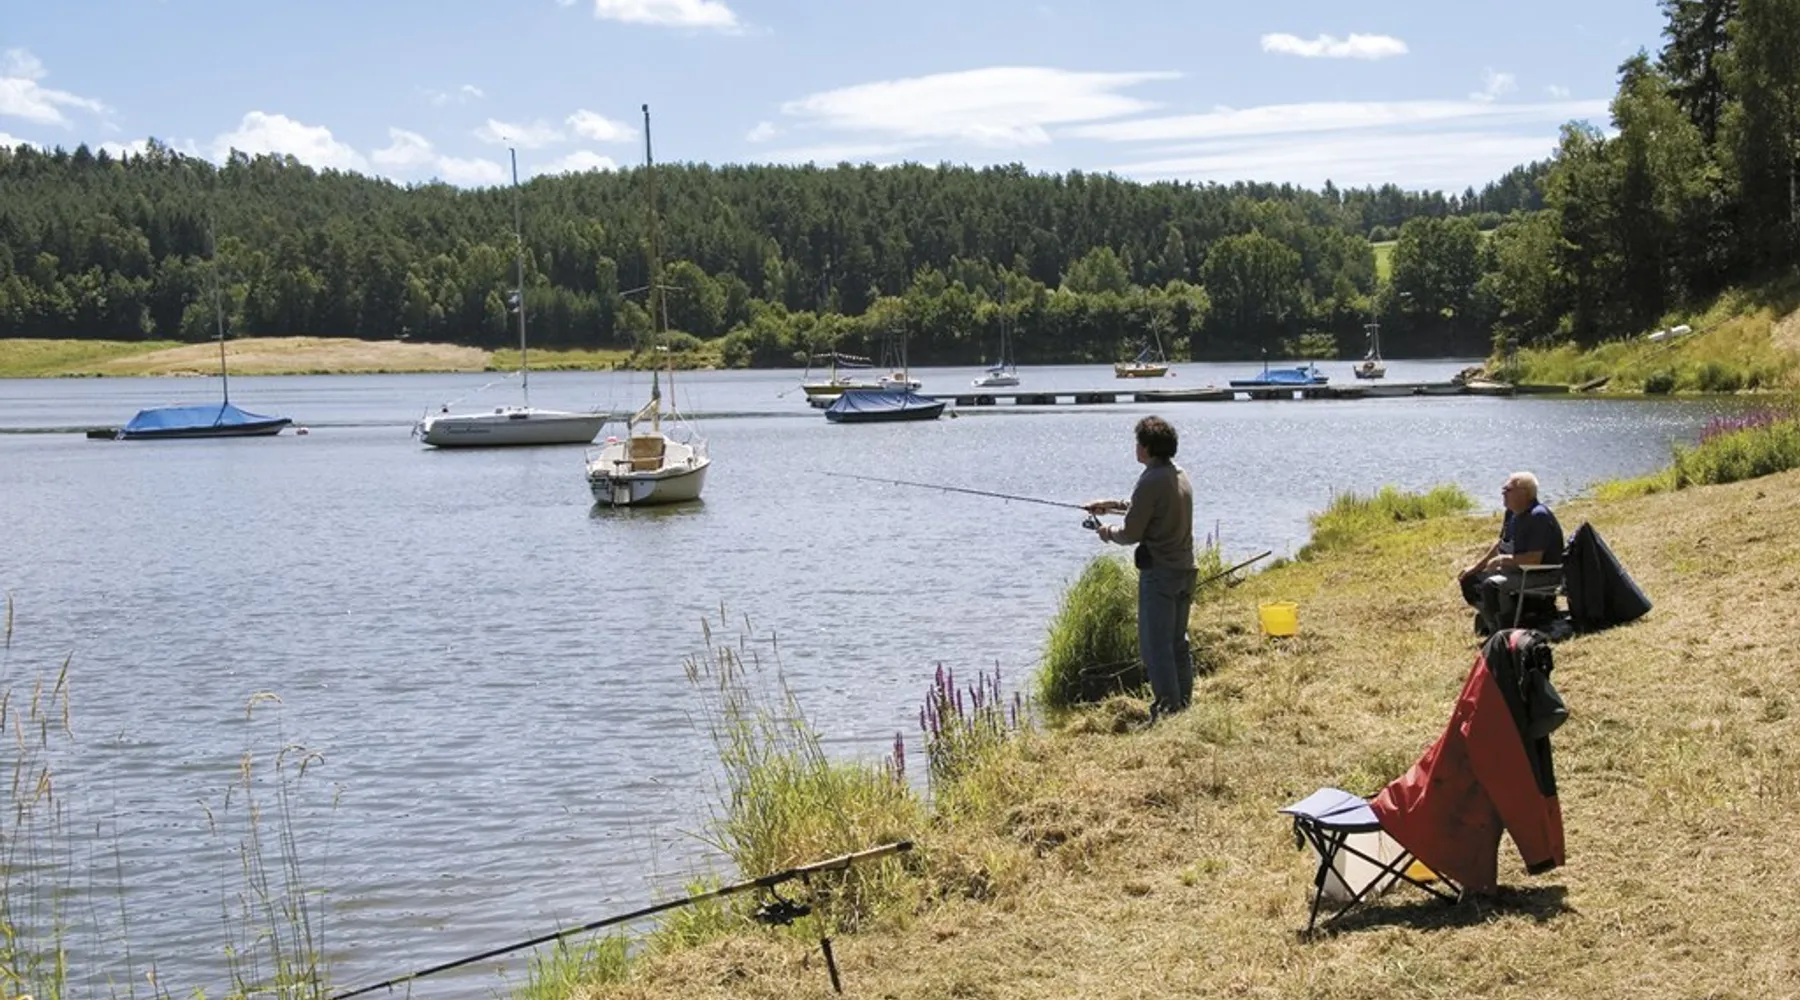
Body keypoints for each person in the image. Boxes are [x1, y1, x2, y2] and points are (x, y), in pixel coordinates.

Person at [1085, 416, 1197, 721]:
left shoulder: (1150, 480)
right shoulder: (1178, 474)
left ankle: (1167, 710)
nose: (1135, 447)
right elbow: (1147, 506)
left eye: (1138, 442)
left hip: (1160, 574)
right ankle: (1183, 706)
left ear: (1147, 447)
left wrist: (1106, 531)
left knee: (1155, 647)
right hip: (1185, 570)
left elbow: (1131, 533)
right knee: (1177, 643)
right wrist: (1109, 504)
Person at [1460, 471, 1565, 635]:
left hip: (1541, 574)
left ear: (1524, 493)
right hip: (1517, 571)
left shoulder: (1538, 516)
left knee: (1492, 585)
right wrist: (1476, 567)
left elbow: (1534, 560)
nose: (1503, 493)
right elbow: (1502, 544)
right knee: (1469, 580)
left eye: (1507, 490)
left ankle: (1504, 631)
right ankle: (1501, 620)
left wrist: (1503, 560)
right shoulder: (1511, 513)